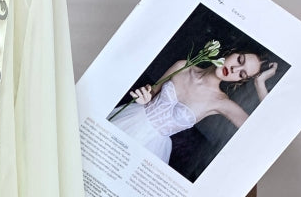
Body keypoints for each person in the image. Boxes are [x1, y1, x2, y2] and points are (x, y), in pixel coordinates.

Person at [110, 50, 278, 166]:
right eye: (240, 60)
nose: (234, 69)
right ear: (232, 52)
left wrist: (260, 84)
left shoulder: (220, 102)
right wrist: (145, 96)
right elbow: (152, 92)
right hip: (131, 120)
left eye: (242, 74)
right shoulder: (183, 66)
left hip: (151, 147)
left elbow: (263, 132)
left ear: (239, 80)